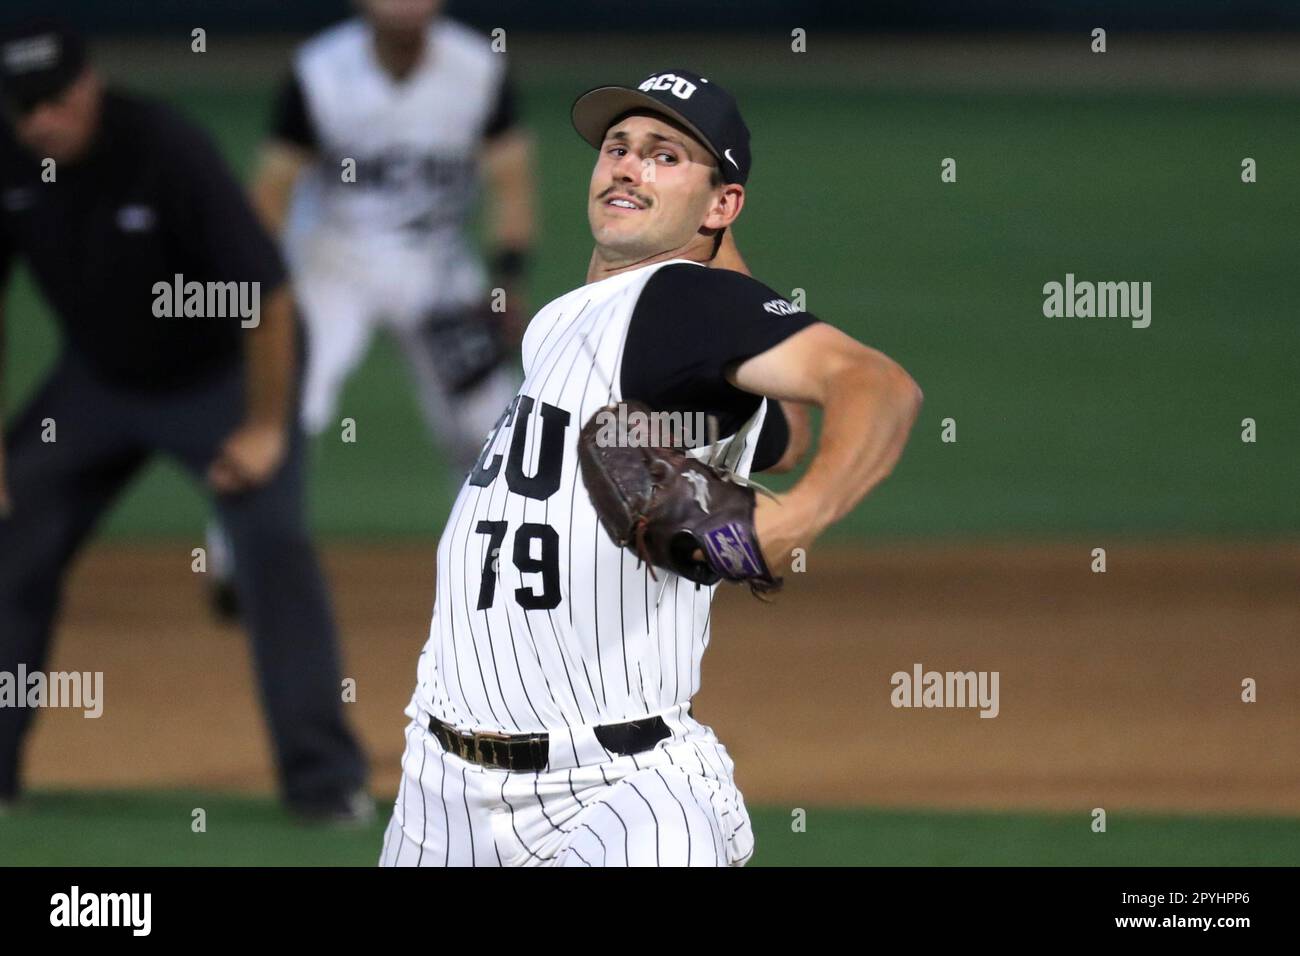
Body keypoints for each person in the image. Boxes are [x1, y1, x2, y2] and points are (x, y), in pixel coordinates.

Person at [379, 68, 922, 866]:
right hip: (439, 791)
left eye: (666, 156)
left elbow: (878, 385)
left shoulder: (676, 300)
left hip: (615, 794)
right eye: (618, 148)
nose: (628, 166)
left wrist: (793, 521)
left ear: (721, 204)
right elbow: (784, 434)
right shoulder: (573, 323)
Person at [0, 20, 369, 821]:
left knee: (270, 547)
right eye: (22, 109)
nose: (39, 124)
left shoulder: (165, 148)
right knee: (12, 532)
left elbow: (267, 295)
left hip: (223, 378)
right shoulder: (14, 158)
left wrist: (266, 428)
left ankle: (325, 785)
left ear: (88, 85)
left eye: (53, 104)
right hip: (97, 380)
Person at [205, 0, 535, 620]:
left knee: (490, 416)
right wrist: (261, 290)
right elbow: (271, 192)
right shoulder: (320, 70)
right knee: (291, 401)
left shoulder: (478, 68)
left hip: (436, 265)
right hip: (334, 262)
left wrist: (505, 280)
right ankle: (237, 560)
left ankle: (495, 568)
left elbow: (512, 181)